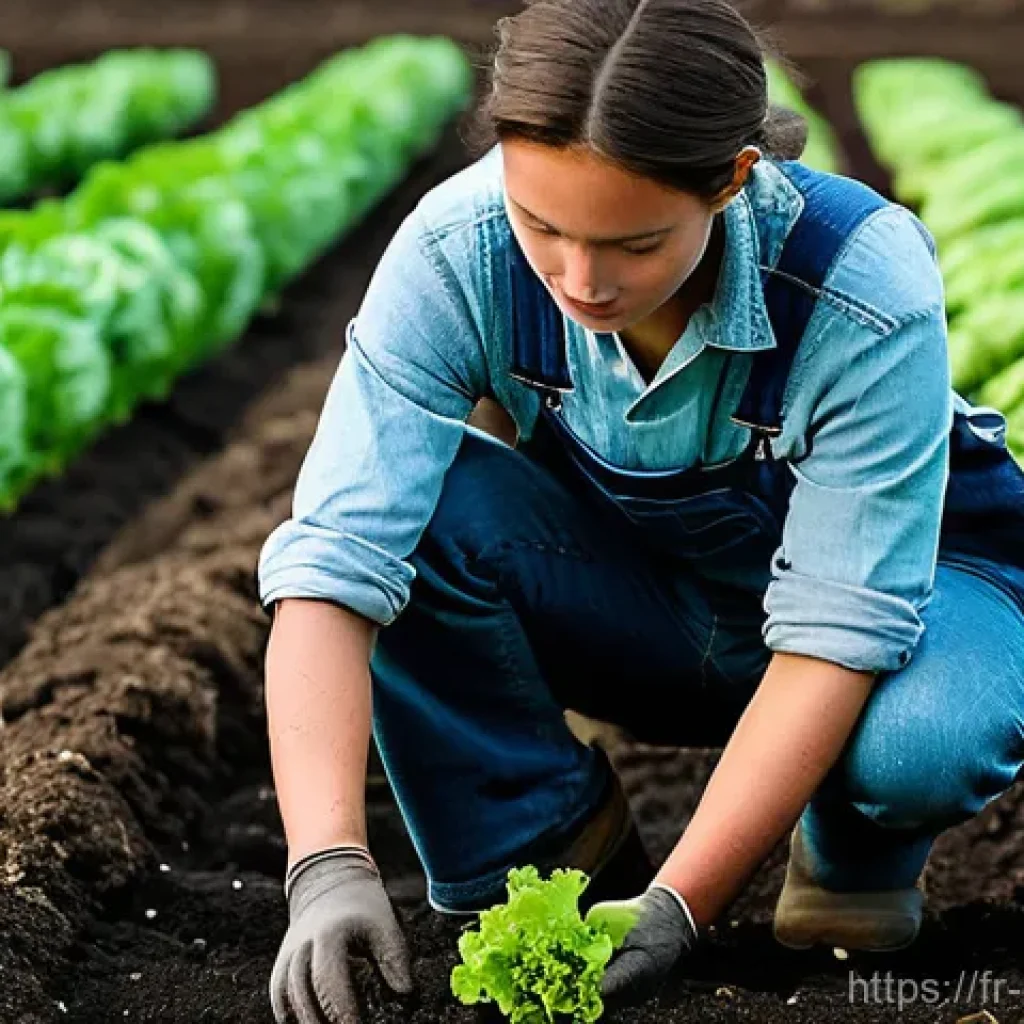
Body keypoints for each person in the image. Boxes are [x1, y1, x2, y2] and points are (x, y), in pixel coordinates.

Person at [258, 1, 1024, 1020]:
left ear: (732, 180)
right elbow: (334, 562)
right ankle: (549, 846)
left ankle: (852, 846)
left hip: (910, 604)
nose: (581, 278)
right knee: (415, 507)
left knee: (919, 746)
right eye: (541, 226)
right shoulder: (457, 248)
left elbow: (842, 628)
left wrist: (681, 906)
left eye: (633, 241)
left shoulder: (855, 285)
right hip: (656, 596)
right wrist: (324, 860)